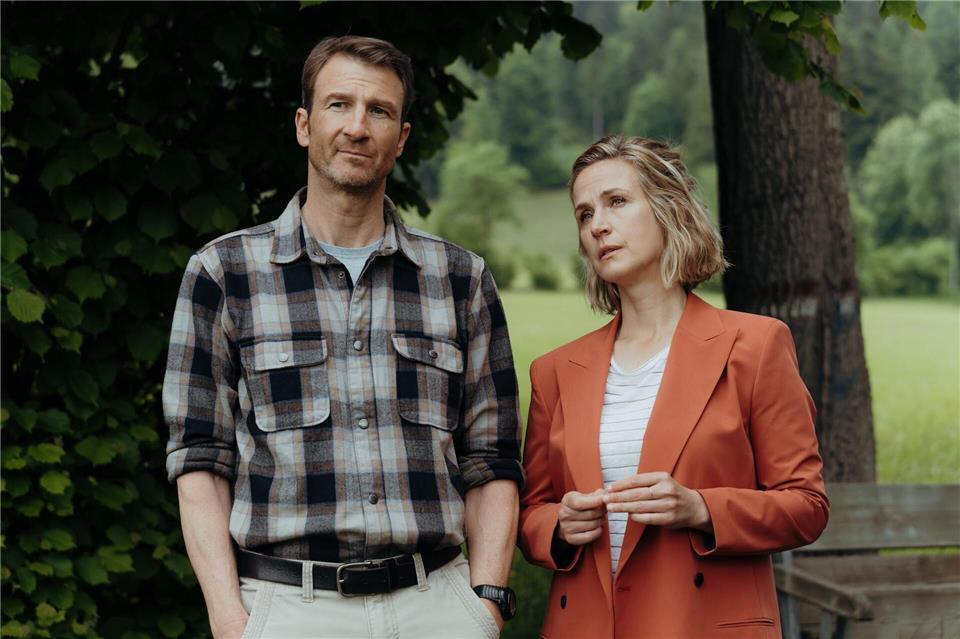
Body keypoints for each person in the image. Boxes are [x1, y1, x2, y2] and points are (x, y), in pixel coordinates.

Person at [164, 35, 521, 639]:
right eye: (338, 105)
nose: (358, 126)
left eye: (379, 111)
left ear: (401, 138)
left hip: (436, 605)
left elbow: (492, 458)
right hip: (286, 609)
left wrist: (484, 604)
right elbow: (200, 460)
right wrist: (230, 619)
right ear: (304, 125)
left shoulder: (461, 279)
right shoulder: (223, 274)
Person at [518, 135, 829, 638]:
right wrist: (558, 525)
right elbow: (532, 511)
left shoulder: (754, 345)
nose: (598, 224)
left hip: (703, 624)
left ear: (668, 209)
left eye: (617, 202)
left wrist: (702, 508)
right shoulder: (555, 370)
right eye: (584, 214)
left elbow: (806, 506)